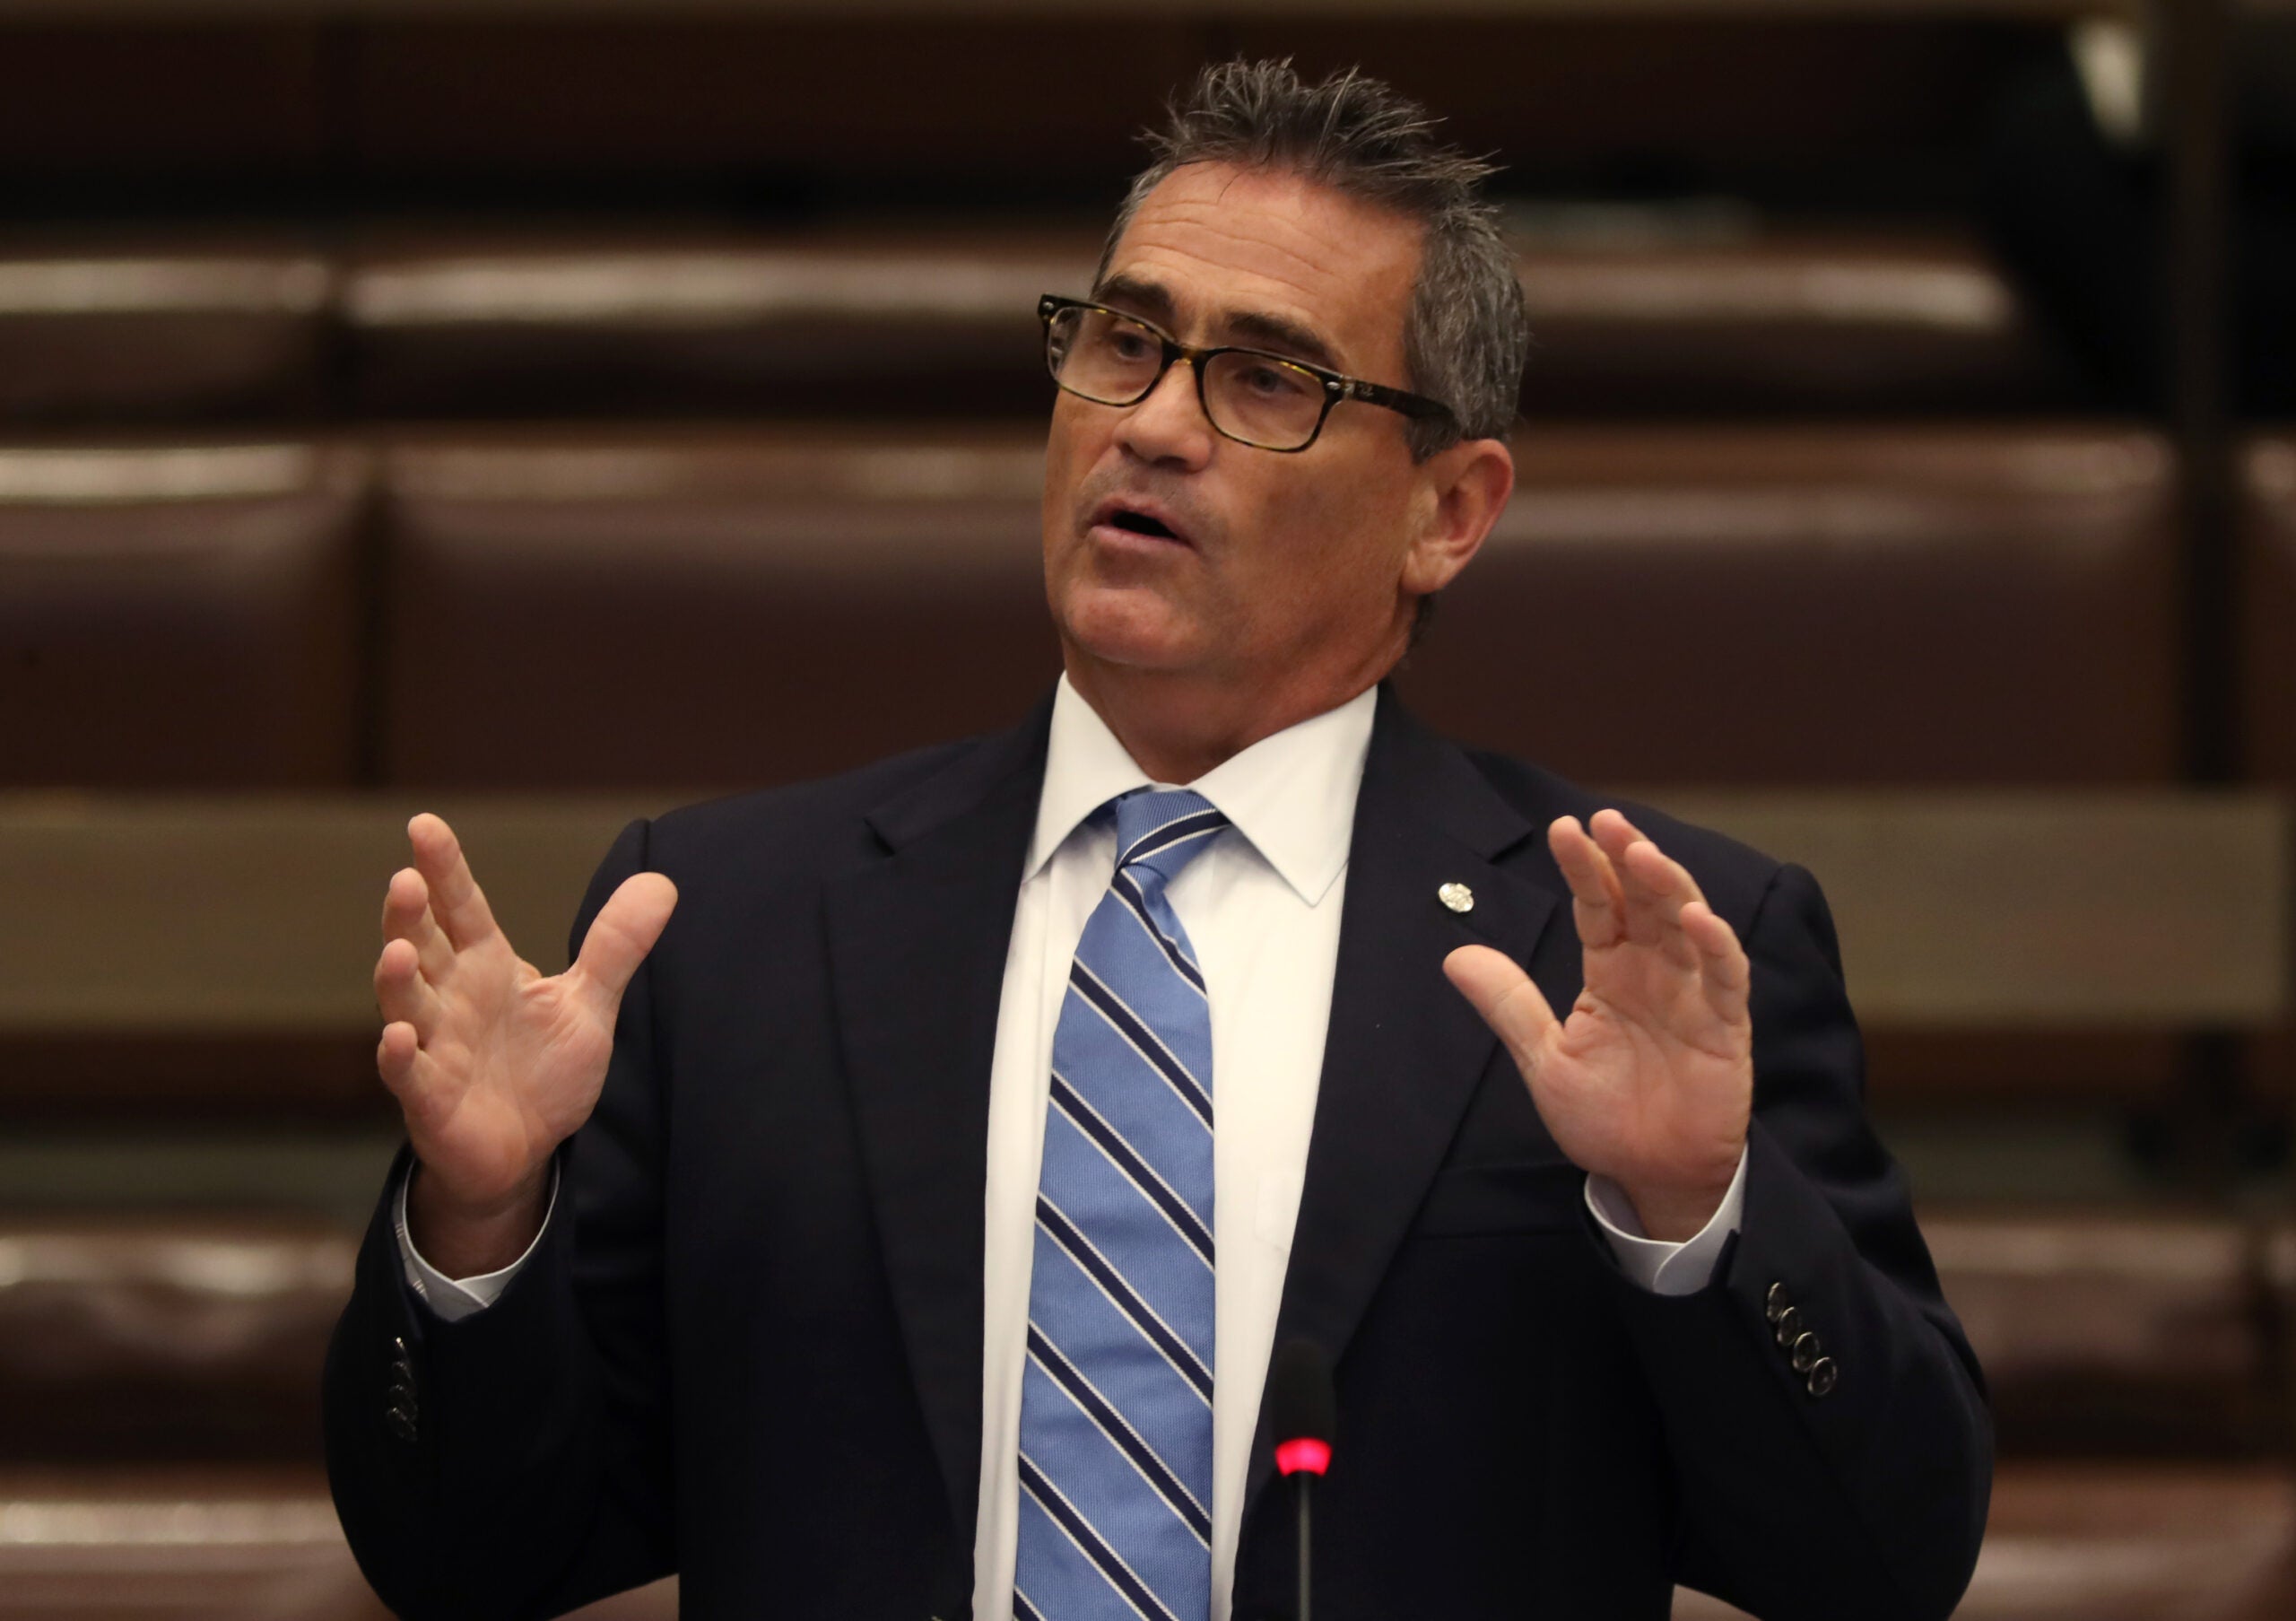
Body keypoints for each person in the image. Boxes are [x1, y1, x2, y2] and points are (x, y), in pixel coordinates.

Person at [325, 59, 1990, 1621]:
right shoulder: (729, 929)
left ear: (1449, 510)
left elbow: (1881, 1557)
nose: (1155, 424)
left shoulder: (1633, 949)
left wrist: (1694, 1215)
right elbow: (468, 1560)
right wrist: (479, 1232)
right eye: (1122, 341)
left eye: (1266, 377)